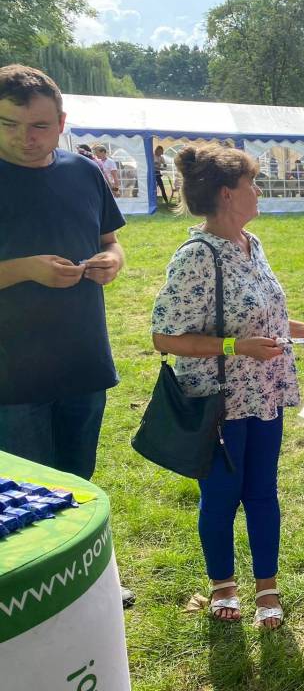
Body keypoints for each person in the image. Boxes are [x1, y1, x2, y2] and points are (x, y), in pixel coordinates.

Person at [151, 143, 304, 629]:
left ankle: (267, 587)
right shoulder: (196, 257)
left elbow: (262, 314)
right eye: (250, 183)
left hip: (265, 393)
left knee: (262, 492)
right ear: (226, 194)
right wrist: (237, 348)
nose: (258, 190)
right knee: (220, 497)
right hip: (220, 402)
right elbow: (164, 337)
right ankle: (223, 586)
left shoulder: (252, 244)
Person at [0, 65, 133, 607]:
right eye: (8, 124)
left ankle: (88, 585)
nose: (23, 138)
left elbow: (112, 241)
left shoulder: (84, 171)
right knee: (27, 495)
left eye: (38, 126)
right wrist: (26, 269)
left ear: (61, 123)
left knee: (79, 481)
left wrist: (112, 261)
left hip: (82, 358)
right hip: (12, 371)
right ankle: (40, 601)